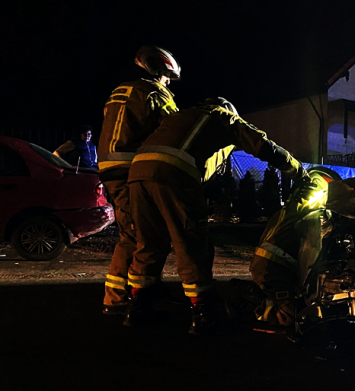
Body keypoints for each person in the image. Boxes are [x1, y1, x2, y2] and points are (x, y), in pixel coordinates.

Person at [125, 98, 308, 335]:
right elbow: (261, 144)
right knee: (192, 244)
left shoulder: (183, 116)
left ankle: (137, 310)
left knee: (148, 242)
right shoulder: (223, 116)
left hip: (137, 173)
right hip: (174, 173)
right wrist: (298, 171)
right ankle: (203, 315)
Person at [97, 46, 181, 315]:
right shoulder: (154, 93)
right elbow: (175, 128)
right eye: (167, 76)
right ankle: (118, 298)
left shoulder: (121, 91)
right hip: (132, 171)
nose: (168, 82)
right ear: (156, 70)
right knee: (138, 235)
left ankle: (143, 287)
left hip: (113, 168)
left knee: (141, 233)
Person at [245, 166, 339, 329]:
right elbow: (311, 249)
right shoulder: (313, 215)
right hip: (275, 270)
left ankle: (264, 297)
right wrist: (303, 287)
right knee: (291, 317)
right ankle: (255, 302)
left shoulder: (291, 209)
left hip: (269, 267)